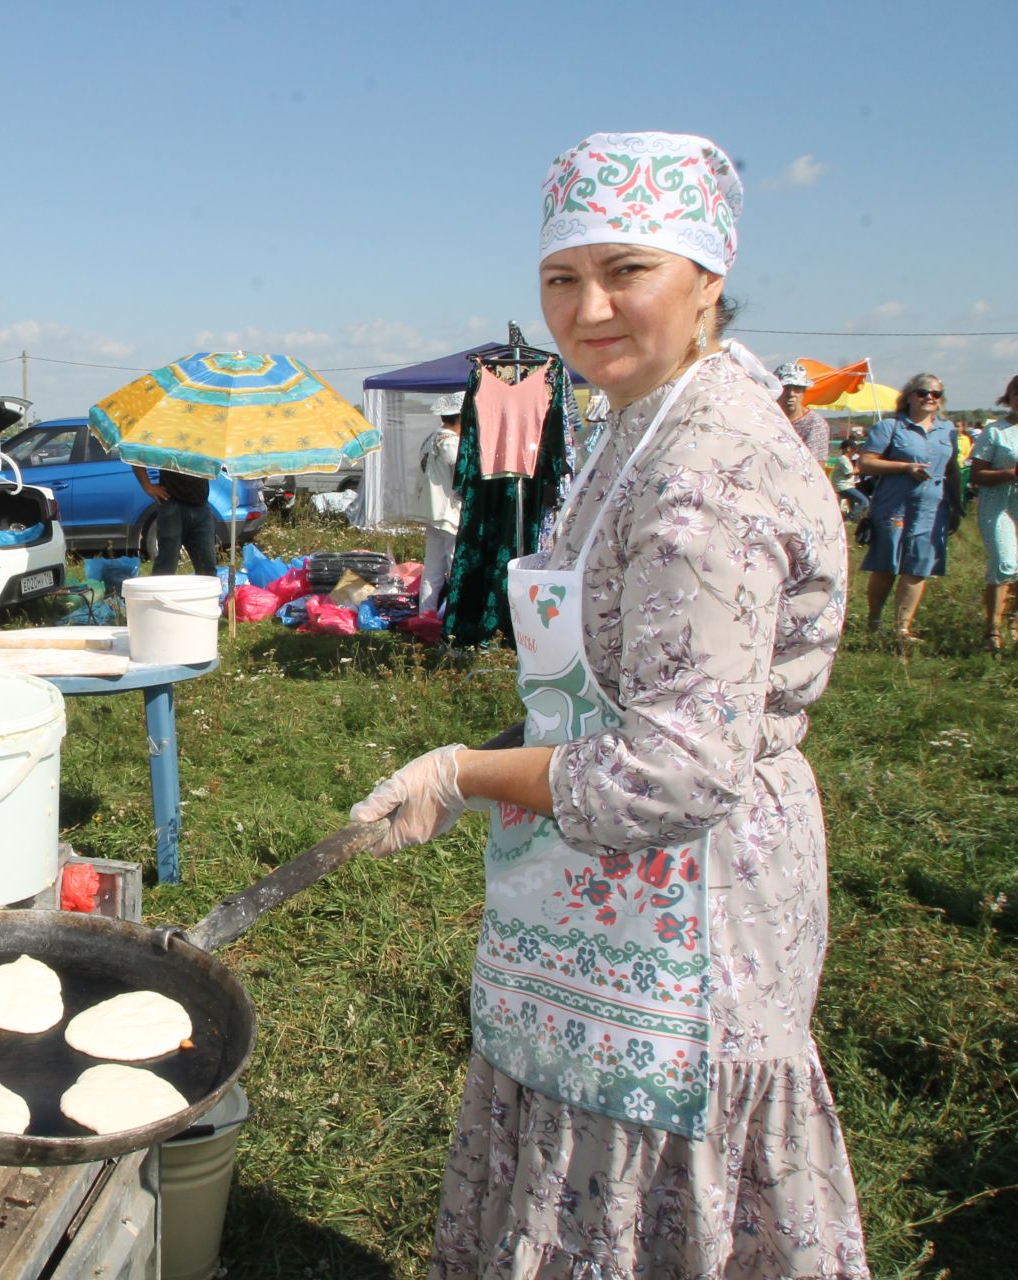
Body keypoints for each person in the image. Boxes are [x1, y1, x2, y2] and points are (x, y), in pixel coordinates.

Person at [351, 131, 868, 1276]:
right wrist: (501, 747)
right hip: (603, 902)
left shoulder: (707, 472)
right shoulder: (640, 422)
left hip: (689, 923)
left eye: (627, 269)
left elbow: (677, 768)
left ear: (707, 282)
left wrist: (462, 771)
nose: (588, 308)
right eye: (560, 277)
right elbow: (616, 684)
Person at [857, 373, 962, 641]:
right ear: (909, 396)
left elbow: (952, 470)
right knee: (887, 565)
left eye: (936, 394)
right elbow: (866, 463)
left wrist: (956, 505)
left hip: (932, 507)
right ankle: (875, 622)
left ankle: (902, 628)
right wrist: (905, 467)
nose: (929, 397)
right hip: (894, 504)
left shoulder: (948, 430)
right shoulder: (890, 427)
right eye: (923, 392)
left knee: (919, 567)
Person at [971, 376, 1018, 650]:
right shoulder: (995, 432)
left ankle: (1013, 622)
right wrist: (1010, 473)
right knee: (1005, 562)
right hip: (998, 505)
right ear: (1008, 397)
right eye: (1016, 393)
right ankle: (992, 631)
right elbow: (977, 474)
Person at [419, 391, 464, 613]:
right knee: (456, 567)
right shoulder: (451, 443)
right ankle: (451, 617)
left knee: (433, 571)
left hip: (432, 511)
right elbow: (460, 471)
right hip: (449, 511)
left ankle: (425, 615)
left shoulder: (430, 439)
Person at [131, 463, 217, 577]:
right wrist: (147, 486)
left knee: (208, 568)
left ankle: (207, 594)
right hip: (172, 502)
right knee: (167, 565)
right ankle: (158, 594)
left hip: (200, 504)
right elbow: (136, 452)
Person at [774, 360, 832, 462]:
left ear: (804, 390)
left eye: (797, 388)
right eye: (785, 388)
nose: (791, 393)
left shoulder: (814, 424)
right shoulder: (767, 418)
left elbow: (816, 467)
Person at [829, 436, 870, 522]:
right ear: (848, 449)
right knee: (864, 501)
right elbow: (848, 473)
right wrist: (858, 468)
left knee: (852, 504)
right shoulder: (843, 459)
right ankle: (851, 516)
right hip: (844, 486)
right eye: (854, 449)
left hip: (845, 485)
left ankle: (850, 517)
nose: (854, 452)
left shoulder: (845, 459)